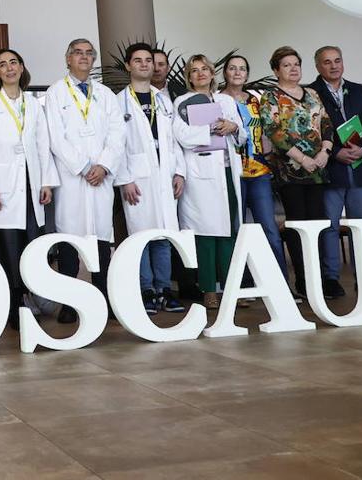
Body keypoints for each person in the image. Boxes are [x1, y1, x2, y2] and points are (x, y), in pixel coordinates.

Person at [0, 48, 58, 330]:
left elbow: (42, 144)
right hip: (4, 183)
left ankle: (29, 295)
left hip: (31, 182)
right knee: (7, 244)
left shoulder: (35, 105)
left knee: (30, 242)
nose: (9, 68)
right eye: (3, 65)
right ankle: (11, 303)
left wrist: (46, 180)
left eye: (14, 62)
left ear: (22, 68)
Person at [43, 39, 124, 323]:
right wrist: (83, 166)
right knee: (70, 242)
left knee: (101, 240)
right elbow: (55, 137)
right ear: (67, 59)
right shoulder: (55, 93)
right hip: (73, 178)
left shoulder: (105, 94)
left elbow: (117, 134)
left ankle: (103, 298)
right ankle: (70, 304)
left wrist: (103, 165)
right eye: (78, 52)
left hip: (100, 178)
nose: (84, 57)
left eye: (90, 53)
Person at [114, 42, 187, 315]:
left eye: (148, 60)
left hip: (164, 174)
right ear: (128, 65)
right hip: (137, 177)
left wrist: (179, 170)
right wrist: (125, 179)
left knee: (164, 234)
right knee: (142, 235)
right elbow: (115, 144)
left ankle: (164, 289)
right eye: (138, 60)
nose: (145, 64)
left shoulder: (162, 99)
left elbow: (174, 140)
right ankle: (146, 289)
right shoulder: (118, 101)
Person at [259, 46, 335, 300]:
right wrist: (302, 158)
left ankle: (322, 278)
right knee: (297, 224)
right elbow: (273, 131)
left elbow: (326, 123)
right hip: (290, 171)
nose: (293, 69)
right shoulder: (270, 97)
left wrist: (325, 151)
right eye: (287, 65)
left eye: (296, 64)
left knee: (318, 223)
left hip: (317, 170)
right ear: (275, 70)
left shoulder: (313, 93)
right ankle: (304, 280)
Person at [173, 55, 245, 309]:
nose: (201, 74)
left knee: (227, 230)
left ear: (213, 73)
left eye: (205, 69)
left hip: (226, 171)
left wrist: (232, 127)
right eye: (195, 71)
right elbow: (180, 135)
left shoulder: (225, 100)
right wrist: (212, 129)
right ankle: (208, 290)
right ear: (188, 77)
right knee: (205, 233)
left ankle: (230, 287)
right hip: (200, 174)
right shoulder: (181, 102)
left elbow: (242, 132)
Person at [310, 45, 362, 294]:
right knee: (330, 226)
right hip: (331, 169)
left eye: (337, 60)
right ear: (318, 67)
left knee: (361, 225)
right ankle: (331, 278)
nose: (333, 66)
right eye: (327, 62)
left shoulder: (359, 91)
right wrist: (335, 152)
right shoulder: (311, 93)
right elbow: (311, 130)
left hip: (360, 167)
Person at [220, 55, 288, 279]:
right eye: (232, 68)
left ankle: (280, 282)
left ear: (247, 74)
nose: (237, 72)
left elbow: (270, 131)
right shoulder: (217, 100)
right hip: (231, 172)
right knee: (237, 229)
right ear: (225, 73)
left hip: (259, 171)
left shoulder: (257, 102)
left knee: (269, 228)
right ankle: (244, 284)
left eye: (242, 68)